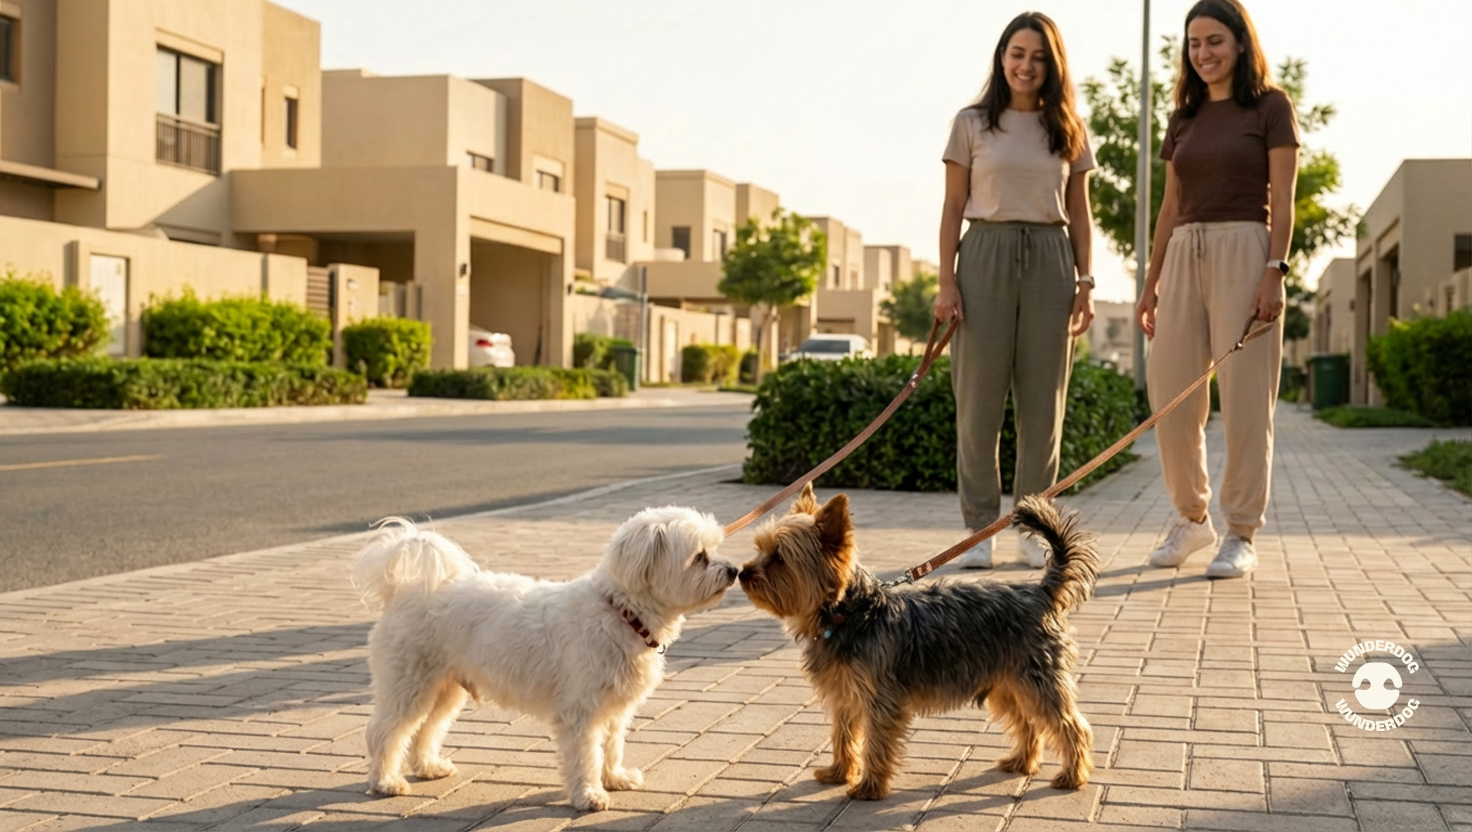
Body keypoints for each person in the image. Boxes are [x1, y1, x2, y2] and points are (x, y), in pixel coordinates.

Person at [1136, 0, 1299, 578]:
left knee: (1247, 399)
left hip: (1246, 248)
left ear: (1239, 44)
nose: (1203, 54)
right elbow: (1169, 206)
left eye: (1214, 42)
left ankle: (1241, 532)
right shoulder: (1183, 117)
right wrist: (1150, 283)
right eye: (1194, 44)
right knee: (1171, 395)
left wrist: (1274, 270)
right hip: (1183, 251)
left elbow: (1284, 200)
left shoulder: (1271, 108)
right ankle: (1190, 517)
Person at [935, 11, 1096, 569]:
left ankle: (1033, 526)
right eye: (1017, 54)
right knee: (978, 403)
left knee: (1043, 405)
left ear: (1053, 66)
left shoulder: (1068, 127)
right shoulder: (972, 122)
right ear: (1002, 58)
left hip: (1052, 260)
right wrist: (945, 281)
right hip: (983, 255)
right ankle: (979, 531)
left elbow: (1079, 211)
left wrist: (1087, 282)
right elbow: (954, 206)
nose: (1026, 65)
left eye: (1039, 57)